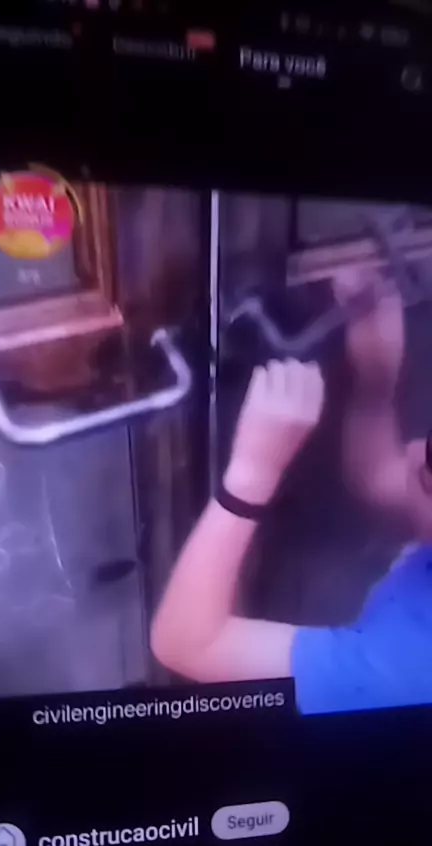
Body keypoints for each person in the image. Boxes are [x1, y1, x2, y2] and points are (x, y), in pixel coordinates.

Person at [151, 269, 432, 714]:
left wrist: (251, 474)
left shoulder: (402, 671)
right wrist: (376, 382)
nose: (413, 450)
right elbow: (385, 481)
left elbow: (189, 645)